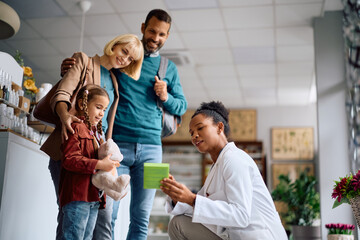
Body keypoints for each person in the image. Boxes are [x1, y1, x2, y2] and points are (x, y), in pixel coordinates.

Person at [61, 9, 188, 240]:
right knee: (107, 213)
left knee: (141, 217)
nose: (155, 37)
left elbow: (181, 107)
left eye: (161, 34)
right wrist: (71, 69)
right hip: (116, 146)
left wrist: (166, 96)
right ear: (143, 28)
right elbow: (96, 73)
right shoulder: (126, 58)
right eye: (151, 31)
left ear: (167, 36)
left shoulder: (168, 68)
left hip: (151, 150)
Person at [37, 34, 144, 240]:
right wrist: (65, 115)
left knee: (103, 216)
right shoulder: (83, 61)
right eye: (124, 51)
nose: (125, 59)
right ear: (115, 45)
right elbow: (63, 94)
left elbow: (104, 125)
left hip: (97, 156)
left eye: (131, 59)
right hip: (72, 150)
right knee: (71, 215)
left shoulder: (115, 82)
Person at [160, 101, 288, 240]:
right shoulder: (217, 166)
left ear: (219, 127)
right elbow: (198, 206)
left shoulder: (234, 159)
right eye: (191, 133)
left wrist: (192, 198)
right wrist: (177, 196)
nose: (194, 136)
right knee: (178, 224)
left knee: (178, 224)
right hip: (235, 236)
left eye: (200, 128)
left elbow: (241, 215)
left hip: (261, 236)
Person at [60, 85, 118, 240]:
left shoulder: (95, 134)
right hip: (78, 196)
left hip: (93, 197)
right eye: (98, 107)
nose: (101, 113)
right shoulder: (76, 128)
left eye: (104, 110)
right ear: (82, 104)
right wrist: (99, 165)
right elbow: (69, 160)